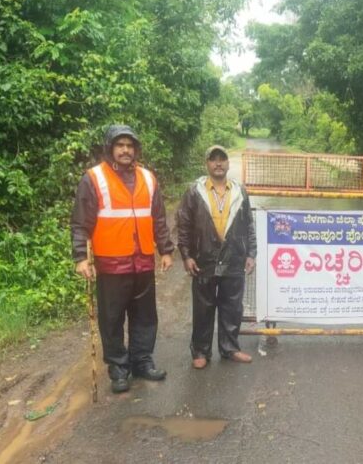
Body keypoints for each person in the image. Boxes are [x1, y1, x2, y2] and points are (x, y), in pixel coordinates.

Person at [71, 125, 174, 393]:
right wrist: (81, 256)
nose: (125, 150)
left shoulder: (149, 178)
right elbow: (80, 222)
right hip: (111, 263)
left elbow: (158, 218)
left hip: (142, 262)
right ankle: (118, 367)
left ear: (136, 149)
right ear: (110, 148)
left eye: (130, 145)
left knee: (145, 317)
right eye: (120, 145)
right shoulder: (93, 178)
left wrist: (165, 249)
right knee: (112, 318)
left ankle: (141, 362)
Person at [176, 145, 257, 369]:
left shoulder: (240, 191)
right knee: (203, 307)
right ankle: (200, 351)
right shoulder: (195, 191)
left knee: (232, 306)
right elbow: (184, 225)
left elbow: (249, 224)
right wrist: (186, 255)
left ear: (228, 164)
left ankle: (230, 348)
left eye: (222, 159)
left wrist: (251, 253)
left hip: (234, 257)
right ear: (207, 164)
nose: (218, 163)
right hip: (204, 258)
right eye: (213, 159)